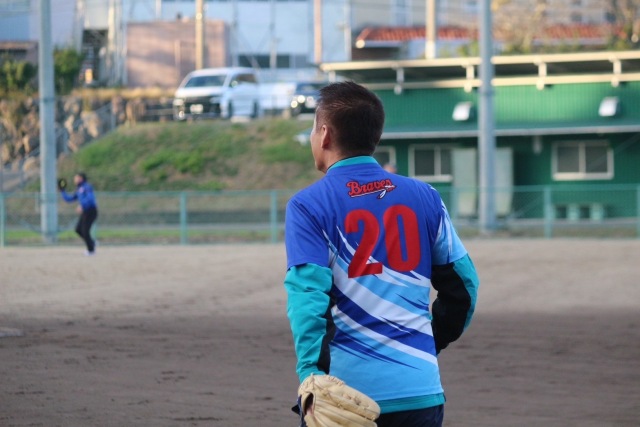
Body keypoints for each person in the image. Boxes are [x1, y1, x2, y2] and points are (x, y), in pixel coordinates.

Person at [283, 81, 479, 427]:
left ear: (325, 135)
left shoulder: (308, 205)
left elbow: (307, 300)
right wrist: (425, 344)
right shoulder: (426, 196)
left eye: (314, 128)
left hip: (345, 397)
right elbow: (464, 287)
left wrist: (311, 376)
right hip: (420, 391)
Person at [59, 172, 99, 255]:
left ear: (81, 178)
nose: (74, 179)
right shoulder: (78, 189)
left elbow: (90, 199)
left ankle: (91, 250)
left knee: (85, 231)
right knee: (78, 230)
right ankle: (92, 242)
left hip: (91, 211)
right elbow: (69, 199)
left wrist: (82, 205)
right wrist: (62, 190)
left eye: (76, 178)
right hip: (85, 212)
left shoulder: (87, 187)